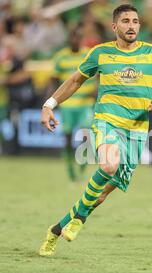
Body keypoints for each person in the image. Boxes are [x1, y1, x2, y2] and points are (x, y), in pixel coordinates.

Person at [38, 4, 152, 257]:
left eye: (135, 21)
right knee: (109, 165)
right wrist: (49, 105)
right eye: (125, 21)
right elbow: (75, 81)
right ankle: (79, 219)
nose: (132, 25)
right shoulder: (100, 53)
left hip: (136, 130)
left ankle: (57, 229)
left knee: (99, 196)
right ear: (115, 27)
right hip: (107, 121)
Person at [50, 27, 96, 181]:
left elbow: (99, 76)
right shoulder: (60, 57)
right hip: (67, 104)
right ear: (69, 39)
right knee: (68, 137)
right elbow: (54, 79)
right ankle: (70, 167)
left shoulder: (88, 54)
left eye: (78, 37)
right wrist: (54, 99)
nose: (75, 40)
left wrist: (96, 90)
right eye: (73, 37)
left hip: (85, 103)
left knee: (86, 135)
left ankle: (82, 164)